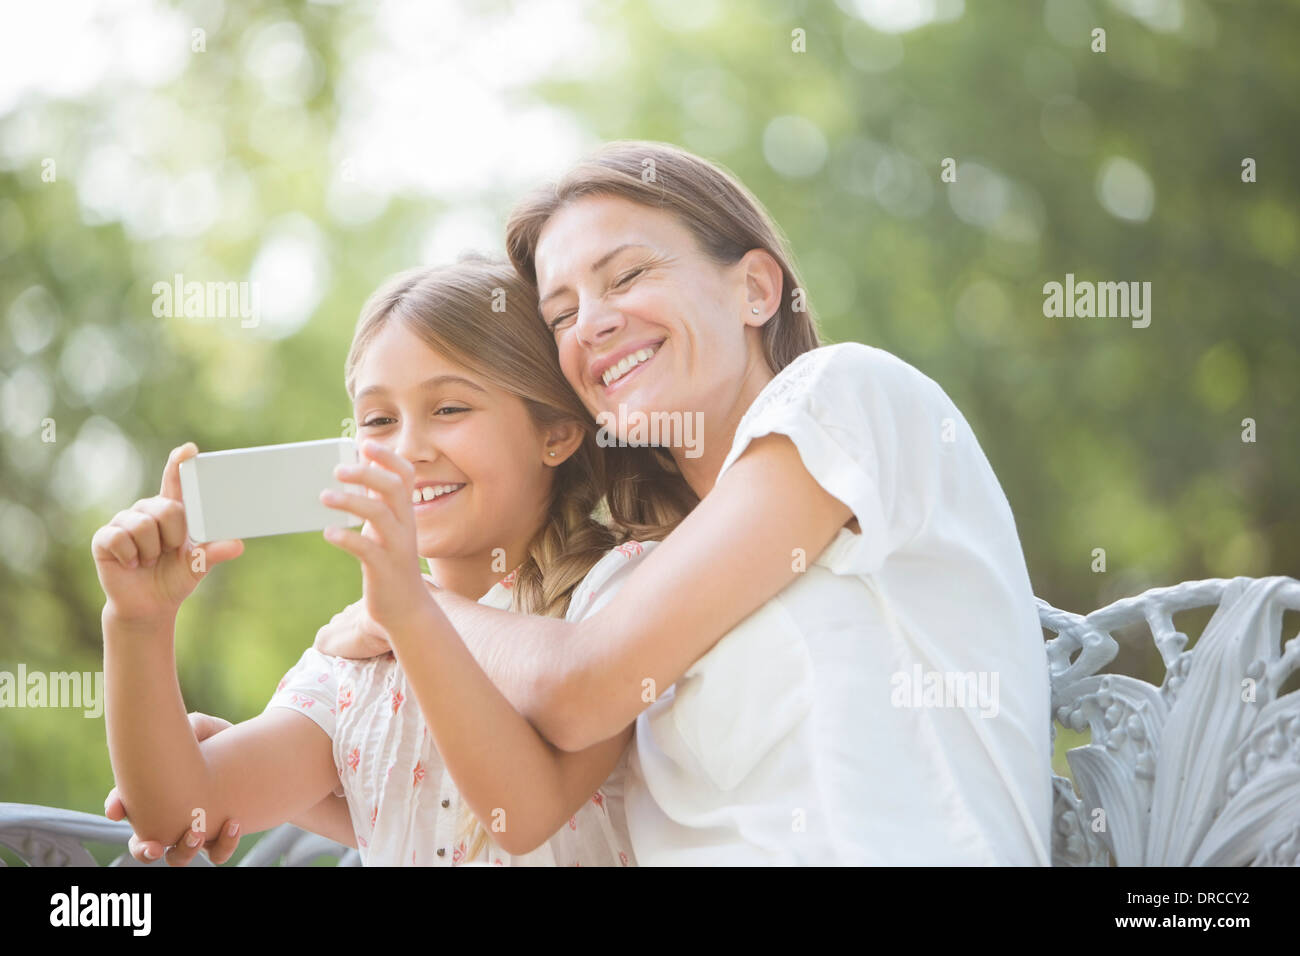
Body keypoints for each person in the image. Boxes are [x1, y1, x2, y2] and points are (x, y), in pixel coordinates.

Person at [317, 142, 1054, 865]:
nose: (592, 324)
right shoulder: (647, 568)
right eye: (561, 315)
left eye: (628, 274)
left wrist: (409, 607)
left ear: (756, 289)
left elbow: (581, 687)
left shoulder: (843, 396)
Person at [93, 256, 657, 865]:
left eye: (449, 409)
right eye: (379, 420)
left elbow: (519, 816)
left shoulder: (615, 596)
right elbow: (179, 814)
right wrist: (138, 624)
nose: (407, 449)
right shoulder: (356, 651)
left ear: (556, 432)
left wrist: (411, 615)